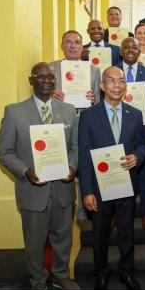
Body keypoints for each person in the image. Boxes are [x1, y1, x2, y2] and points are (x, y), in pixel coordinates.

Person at [0, 62, 79, 290]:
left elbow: (75, 146)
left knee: (64, 239)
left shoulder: (68, 110)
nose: (46, 81)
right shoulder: (14, 112)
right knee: (34, 243)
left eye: (50, 78)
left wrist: (72, 167)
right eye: (40, 77)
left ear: (55, 82)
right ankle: (38, 281)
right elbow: (4, 152)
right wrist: (25, 171)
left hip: (63, 188)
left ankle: (62, 276)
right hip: (33, 190)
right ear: (31, 80)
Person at [78, 66, 145, 290]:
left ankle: (127, 273)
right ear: (102, 86)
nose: (116, 85)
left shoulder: (135, 114)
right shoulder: (88, 116)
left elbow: (142, 145)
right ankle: (101, 272)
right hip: (99, 187)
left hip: (126, 183)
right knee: (100, 234)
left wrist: (137, 156)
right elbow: (84, 155)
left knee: (127, 232)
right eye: (111, 81)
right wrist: (86, 191)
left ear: (125, 86)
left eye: (120, 81)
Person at [49, 30, 101, 232]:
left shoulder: (94, 70)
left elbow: (97, 99)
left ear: (82, 47)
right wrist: (52, 95)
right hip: (60, 124)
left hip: (85, 122)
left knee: (84, 165)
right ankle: (64, 211)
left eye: (77, 42)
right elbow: (42, 97)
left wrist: (93, 97)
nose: (73, 46)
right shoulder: (52, 68)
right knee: (65, 167)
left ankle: (82, 213)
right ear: (62, 46)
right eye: (68, 42)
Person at [117, 37, 145, 230]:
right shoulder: (112, 72)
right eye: (126, 47)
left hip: (143, 132)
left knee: (143, 175)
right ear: (120, 51)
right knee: (119, 172)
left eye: (134, 47)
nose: (130, 50)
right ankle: (116, 213)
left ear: (139, 50)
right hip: (118, 129)